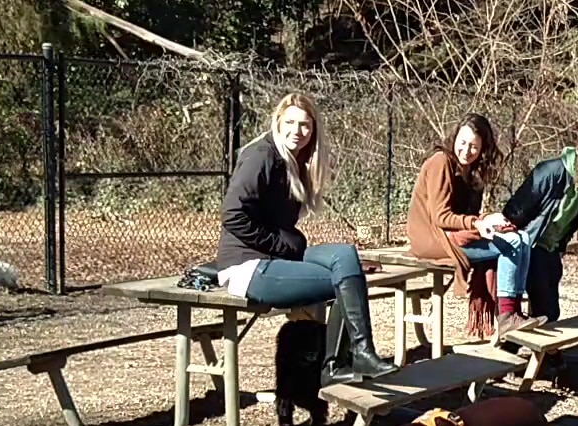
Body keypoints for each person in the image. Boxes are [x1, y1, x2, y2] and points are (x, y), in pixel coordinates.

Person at [215, 92, 393, 382]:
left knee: (345, 256)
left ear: (314, 129)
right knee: (345, 282)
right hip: (247, 266)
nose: (297, 131)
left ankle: (358, 355)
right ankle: (337, 364)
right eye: (291, 123)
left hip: (280, 257)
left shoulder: (296, 161)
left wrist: (287, 244)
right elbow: (232, 214)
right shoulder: (261, 156)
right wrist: (280, 244)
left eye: (305, 125)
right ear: (278, 122)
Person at [408, 114, 545, 342]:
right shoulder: (440, 162)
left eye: (474, 146)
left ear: (483, 149)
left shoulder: (473, 172)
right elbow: (441, 217)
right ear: (454, 138)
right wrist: (477, 223)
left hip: (454, 233)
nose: (466, 150)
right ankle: (507, 315)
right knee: (511, 243)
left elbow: (466, 217)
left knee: (522, 237)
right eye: (462, 142)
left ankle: (513, 311)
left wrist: (489, 221)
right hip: (433, 238)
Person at [500, 132, 578, 322]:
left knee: (551, 303)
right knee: (545, 303)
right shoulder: (551, 171)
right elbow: (516, 209)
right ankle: (527, 345)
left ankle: (538, 345)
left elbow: (576, 217)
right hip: (529, 242)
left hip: (553, 246)